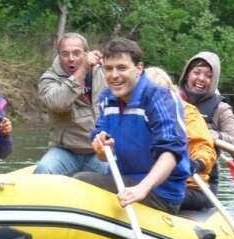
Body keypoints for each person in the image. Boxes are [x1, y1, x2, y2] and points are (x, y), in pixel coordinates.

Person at [73, 38, 190, 215]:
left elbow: (171, 152)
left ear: (139, 69)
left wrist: (143, 188)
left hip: (160, 192)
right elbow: (103, 148)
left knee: (81, 181)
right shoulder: (107, 98)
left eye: (122, 68)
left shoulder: (159, 98)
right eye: (109, 69)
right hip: (125, 181)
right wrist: (103, 149)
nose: (114, 75)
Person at [179, 52, 234, 194]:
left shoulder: (221, 109)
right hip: (168, 174)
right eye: (196, 73)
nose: (201, 79)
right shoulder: (169, 96)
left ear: (214, 81)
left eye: (209, 76)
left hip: (202, 181)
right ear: (187, 75)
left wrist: (218, 136)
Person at [35, 32, 108, 175]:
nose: (71, 59)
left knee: (117, 172)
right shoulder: (48, 79)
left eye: (76, 53)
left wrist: (110, 65)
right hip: (65, 151)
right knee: (44, 169)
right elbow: (59, 104)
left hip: (99, 151)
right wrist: (83, 69)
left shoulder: (104, 73)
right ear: (59, 57)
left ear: (86, 54)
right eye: (65, 54)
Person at [145, 67, 217, 210]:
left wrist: (196, 164)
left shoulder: (187, 113)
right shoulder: (136, 113)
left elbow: (203, 148)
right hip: (153, 180)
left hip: (189, 186)